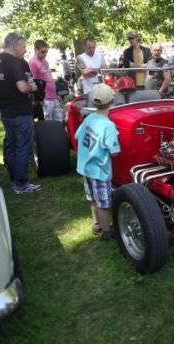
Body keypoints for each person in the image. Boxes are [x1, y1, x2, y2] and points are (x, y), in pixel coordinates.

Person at [0, 32, 42, 194]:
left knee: (11, 145)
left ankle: (13, 179)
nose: (24, 50)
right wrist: (33, 88)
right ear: (16, 45)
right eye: (23, 47)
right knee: (23, 147)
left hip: (5, 111)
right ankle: (21, 184)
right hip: (20, 110)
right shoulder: (14, 62)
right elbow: (23, 87)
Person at [75, 83, 120, 240]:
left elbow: (77, 136)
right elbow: (114, 152)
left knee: (93, 199)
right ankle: (107, 232)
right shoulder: (109, 126)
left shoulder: (89, 118)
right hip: (99, 171)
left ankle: (96, 224)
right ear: (112, 101)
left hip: (85, 167)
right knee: (104, 203)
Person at [29, 40, 63, 121]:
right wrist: (39, 99)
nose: (45, 54)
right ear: (36, 49)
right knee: (47, 124)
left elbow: (49, 77)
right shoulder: (33, 62)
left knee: (59, 122)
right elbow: (32, 81)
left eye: (46, 52)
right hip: (45, 99)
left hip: (53, 97)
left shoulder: (45, 61)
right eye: (42, 52)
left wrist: (56, 93)